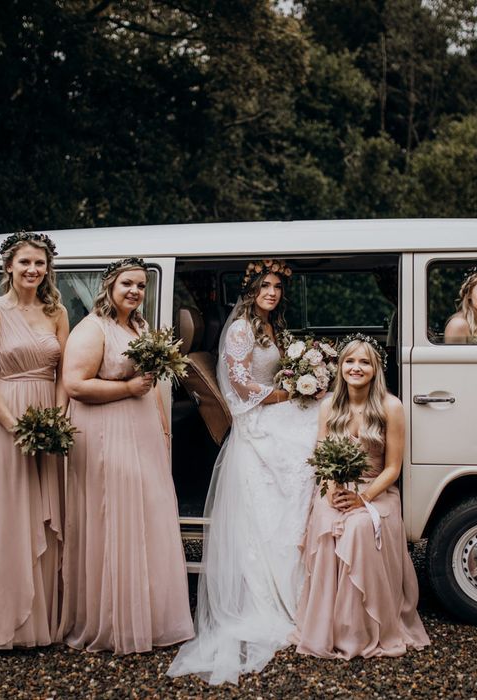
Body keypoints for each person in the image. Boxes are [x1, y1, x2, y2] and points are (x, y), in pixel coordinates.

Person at [168, 260, 320, 685]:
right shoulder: (240, 331)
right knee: (309, 443)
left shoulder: (273, 328)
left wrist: (306, 377)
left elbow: (276, 372)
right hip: (256, 417)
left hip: (275, 404)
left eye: (276, 287)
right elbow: (241, 385)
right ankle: (282, 590)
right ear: (251, 290)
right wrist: (290, 393)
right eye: (264, 285)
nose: (272, 292)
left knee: (323, 416)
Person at [59, 257, 194, 654]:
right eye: (127, 284)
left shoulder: (139, 326)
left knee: (148, 515)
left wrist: (162, 424)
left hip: (142, 430)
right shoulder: (92, 328)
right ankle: (114, 622)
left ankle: (149, 616)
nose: (134, 291)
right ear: (110, 287)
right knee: (116, 518)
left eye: (140, 285)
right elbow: (75, 385)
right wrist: (128, 389)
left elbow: (149, 382)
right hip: (106, 432)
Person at [290, 335, 430, 659]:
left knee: (358, 528)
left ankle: (362, 629)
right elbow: (322, 461)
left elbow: (393, 468)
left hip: (377, 489)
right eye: (350, 361)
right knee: (325, 520)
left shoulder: (390, 406)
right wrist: (330, 492)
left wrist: (363, 498)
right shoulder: (329, 406)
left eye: (364, 362)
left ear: (375, 368)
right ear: (340, 367)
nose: (356, 367)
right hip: (337, 488)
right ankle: (329, 628)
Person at [0, 231, 70, 648]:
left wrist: (59, 420)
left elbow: (65, 371)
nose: (33, 270)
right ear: (9, 266)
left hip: (49, 418)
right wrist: (17, 428)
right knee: (12, 516)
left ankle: (46, 622)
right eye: (25, 262)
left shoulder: (57, 311)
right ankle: (11, 623)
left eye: (40, 263)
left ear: (48, 269)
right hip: (9, 419)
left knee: (49, 518)